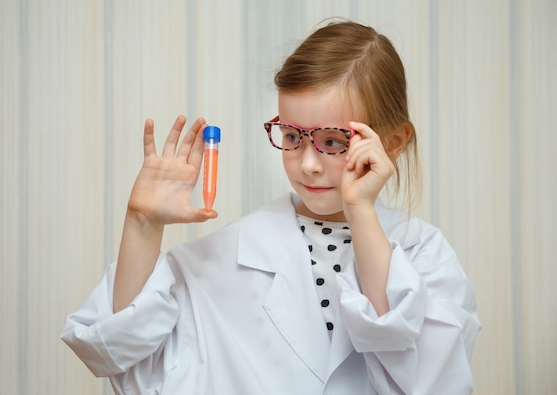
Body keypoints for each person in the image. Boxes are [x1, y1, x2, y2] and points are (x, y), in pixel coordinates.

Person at [61, 20, 481, 394]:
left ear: (392, 142)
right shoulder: (219, 259)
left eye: (333, 141)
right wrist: (142, 223)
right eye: (293, 136)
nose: (309, 164)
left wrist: (361, 210)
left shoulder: (425, 254)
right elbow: (128, 365)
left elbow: (430, 379)